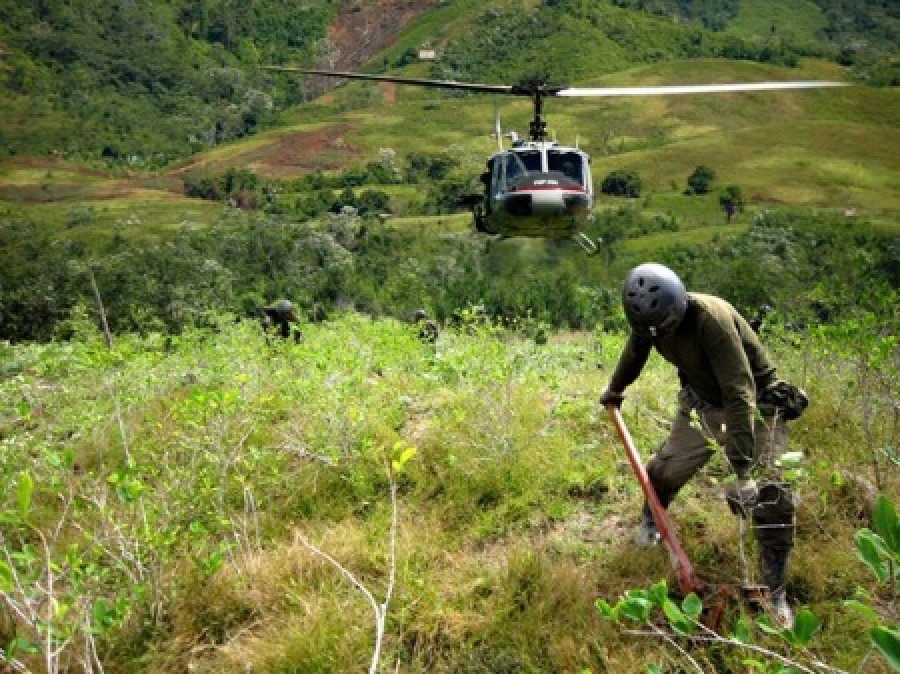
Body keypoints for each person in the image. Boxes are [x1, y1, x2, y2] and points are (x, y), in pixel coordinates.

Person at [599, 263, 807, 628]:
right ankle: (652, 519)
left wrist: (742, 473)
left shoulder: (711, 319)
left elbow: (739, 393)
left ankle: (775, 592)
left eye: (666, 327)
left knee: (773, 494)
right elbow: (636, 352)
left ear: (678, 304)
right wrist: (616, 388)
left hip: (756, 406)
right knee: (663, 471)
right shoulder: (651, 322)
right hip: (702, 405)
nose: (660, 334)